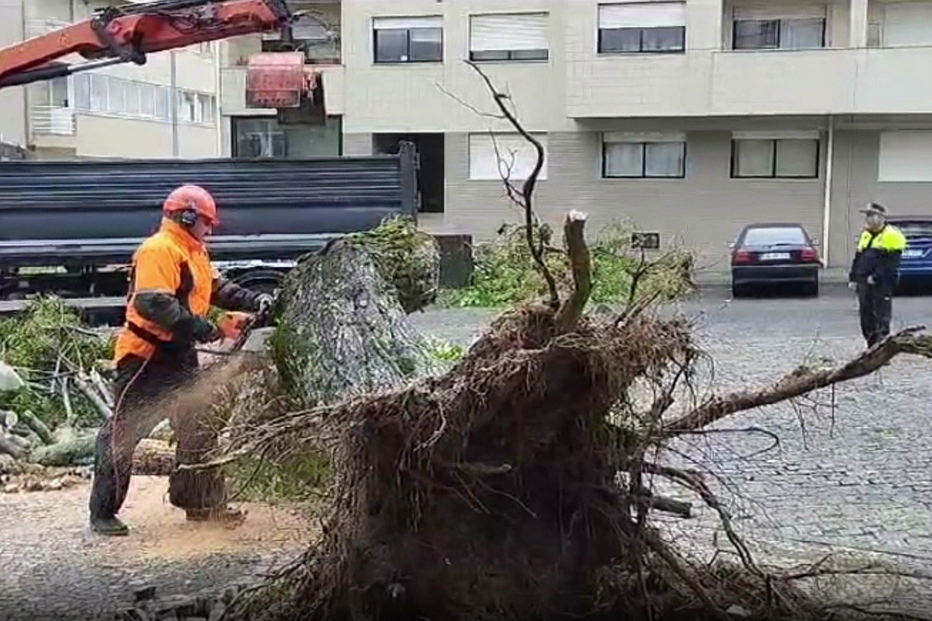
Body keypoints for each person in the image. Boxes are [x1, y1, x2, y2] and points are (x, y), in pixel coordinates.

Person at [88, 184, 274, 536]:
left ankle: (199, 501)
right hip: (147, 357)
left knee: (198, 424)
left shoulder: (193, 250)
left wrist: (256, 300)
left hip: (180, 355)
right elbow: (152, 304)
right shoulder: (160, 249)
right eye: (206, 222)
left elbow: (219, 288)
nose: (210, 229)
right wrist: (209, 328)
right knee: (124, 432)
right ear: (187, 217)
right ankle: (103, 512)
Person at [847, 202, 906, 348]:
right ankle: (871, 345)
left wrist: (876, 277)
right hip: (863, 280)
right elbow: (858, 257)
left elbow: (891, 263)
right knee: (866, 315)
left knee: (881, 315)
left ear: (881, 218)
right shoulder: (866, 235)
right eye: (866, 216)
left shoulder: (891, 235)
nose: (867, 219)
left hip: (881, 283)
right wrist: (853, 277)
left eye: (871, 215)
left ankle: (881, 348)